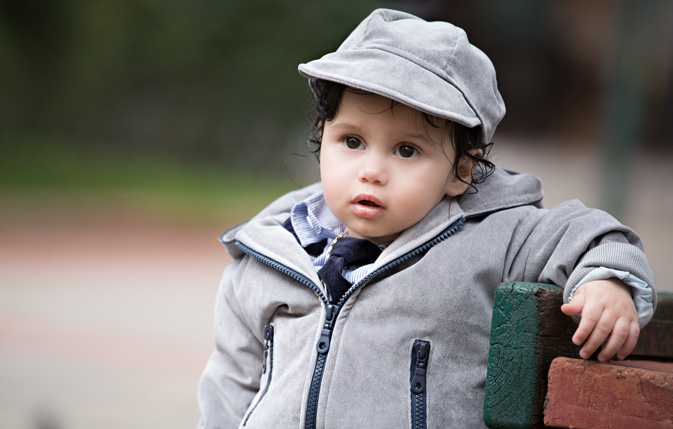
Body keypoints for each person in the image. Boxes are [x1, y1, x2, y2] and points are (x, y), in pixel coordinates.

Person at [197, 8, 656, 428]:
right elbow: (230, 383)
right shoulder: (273, 249)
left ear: (461, 171)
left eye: (406, 150)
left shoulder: (494, 236)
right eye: (351, 141)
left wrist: (607, 281)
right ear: (322, 136)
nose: (372, 171)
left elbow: (592, 236)